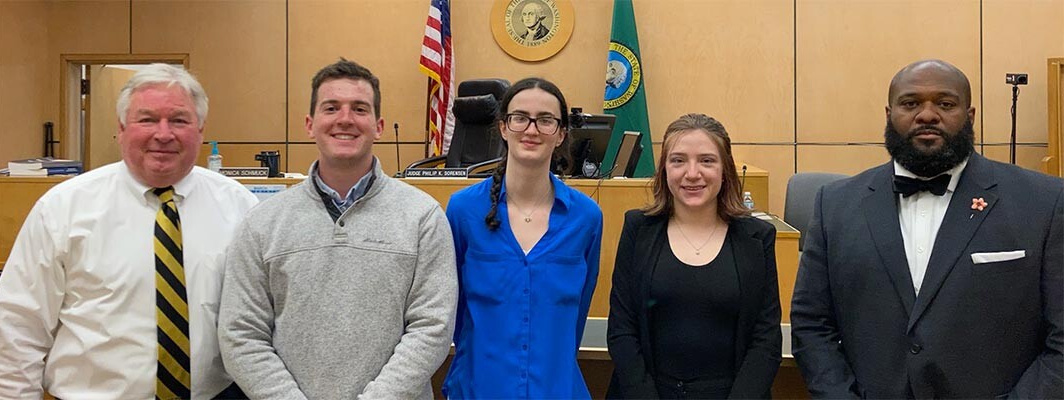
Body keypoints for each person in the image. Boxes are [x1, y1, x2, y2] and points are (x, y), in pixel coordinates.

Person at [791, 59, 1063, 398]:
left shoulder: (1045, 202)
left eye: (945, 104)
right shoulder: (835, 205)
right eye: (911, 103)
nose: (927, 115)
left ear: (971, 116)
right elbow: (812, 323)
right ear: (889, 114)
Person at [0, 63, 258, 399]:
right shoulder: (63, 209)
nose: (163, 134)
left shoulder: (241, 209)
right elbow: (17, 327)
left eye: (179, 120)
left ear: (201, 129)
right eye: (147, 119)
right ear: (121, 127)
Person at [217, 58, 457, 400]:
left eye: (359, 109)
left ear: (379, 126)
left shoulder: (422, 216)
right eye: (331, 108)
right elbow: (241, 333)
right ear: (310, 124)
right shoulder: (262, 222)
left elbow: (432, 327)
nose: (345, 119)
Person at [441, 77, 603, 399]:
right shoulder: (463, 211)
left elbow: (577, 312)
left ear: (561, 134)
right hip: (478, 389)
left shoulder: (586, 218)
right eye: (520, 118)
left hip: (556, 390)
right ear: (503, 127)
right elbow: (453, 310)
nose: (531, 130)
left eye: (545, 120)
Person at [606, 113, 782, 399]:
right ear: (664, 168)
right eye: (678, 160)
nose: (692, 173)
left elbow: (766, 340)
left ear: (725, 169)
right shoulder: (638, 229)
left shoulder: (756, 238)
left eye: (706, 160)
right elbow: (621, 329)